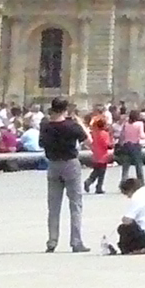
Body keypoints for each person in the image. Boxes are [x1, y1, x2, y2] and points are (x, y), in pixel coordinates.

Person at [38, 97, 91, 253]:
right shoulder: (72, 126)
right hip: (70, 163)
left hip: (53, 164)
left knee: (53, 206)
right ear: (66, 109)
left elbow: (41, 144)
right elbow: (89, 141)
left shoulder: (46, 126)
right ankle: (76, 241)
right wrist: (80, 123)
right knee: (75, 204)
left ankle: (52, 240)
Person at [86, 108, 114, 195]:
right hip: (103, 155)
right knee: (101, 173)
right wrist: (112, 144)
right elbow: (107, 145)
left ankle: (90, 182)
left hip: (96, 155)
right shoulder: (104, 134)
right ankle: (97, 186)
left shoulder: (95, 133)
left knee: (96, 171)